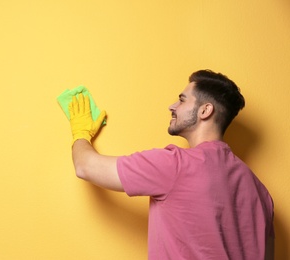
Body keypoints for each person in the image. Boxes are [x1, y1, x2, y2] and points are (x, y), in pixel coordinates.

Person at [66, 69, 274, 260]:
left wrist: (81, 133)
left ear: (205, 111)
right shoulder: (260, 192)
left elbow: (85, 167)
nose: (172, 106)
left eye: (182, 100)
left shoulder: (175, 165)